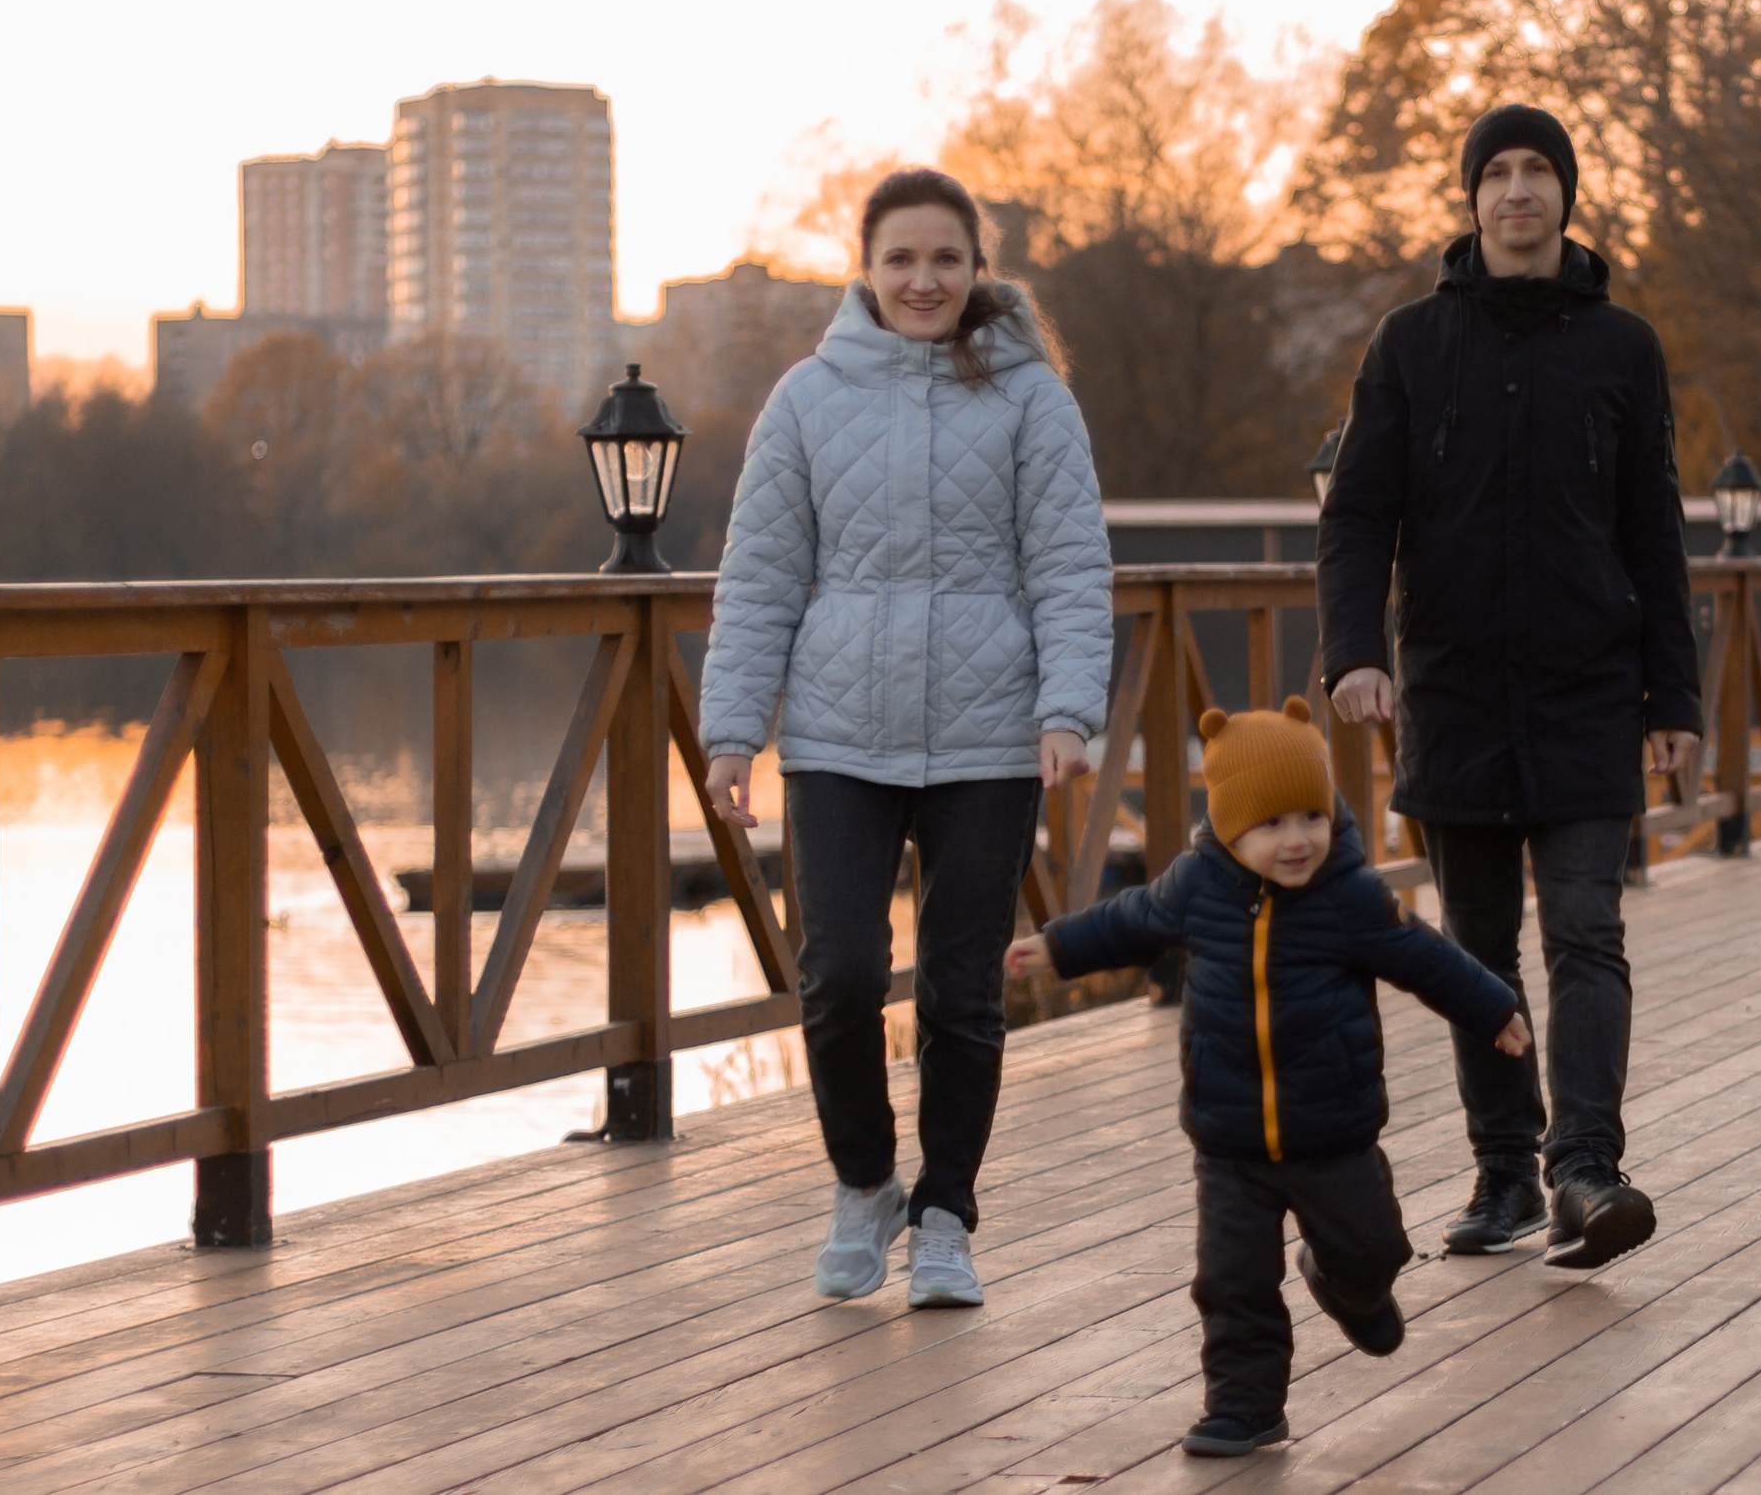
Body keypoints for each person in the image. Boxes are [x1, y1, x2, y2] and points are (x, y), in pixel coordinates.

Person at [700, 167, 1112, 1310]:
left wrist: (1068, 708)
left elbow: (1071, 563)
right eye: (901, 260)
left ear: (977, 270)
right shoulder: (807, 399)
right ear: (865, 272)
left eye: (944, 259)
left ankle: (945, 1218)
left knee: (959, 993)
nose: (922, 280)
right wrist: (734, 730)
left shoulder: (1032, 399)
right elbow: (761, 575)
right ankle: (865, 1181)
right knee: (834, 976)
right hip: (838, 737)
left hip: (989, 739)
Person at [1316, 103, 1703, 1270]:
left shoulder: (1622, 349)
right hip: (1456, 691)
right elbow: (1357, 517)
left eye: (1540, 171)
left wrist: (1674, 701)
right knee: (1475, 949)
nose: (1520, 190)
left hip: (1590, 688)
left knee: (1586, 929)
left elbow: (1655, 530)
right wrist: (1354, 652)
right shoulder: (1409, 345)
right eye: (1500, 172)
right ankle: (1503, 1172)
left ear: (1565, 197)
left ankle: (1585, 1166)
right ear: (1473, 197)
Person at [1008, 698, 1524, 1457]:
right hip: (1229, 1138)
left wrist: (1491, 1006)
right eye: (1272, 824)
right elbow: (1131, 920)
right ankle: (1243, 1407)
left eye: (1310, 818)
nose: (1297, 840)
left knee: (1374, 1247)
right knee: (1232, 1282)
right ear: (1228, 826)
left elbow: (1423, 954)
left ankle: (1350, 1281)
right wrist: (1060, 947)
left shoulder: (1348, 894)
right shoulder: (1196, 886)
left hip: (1333, 1131)